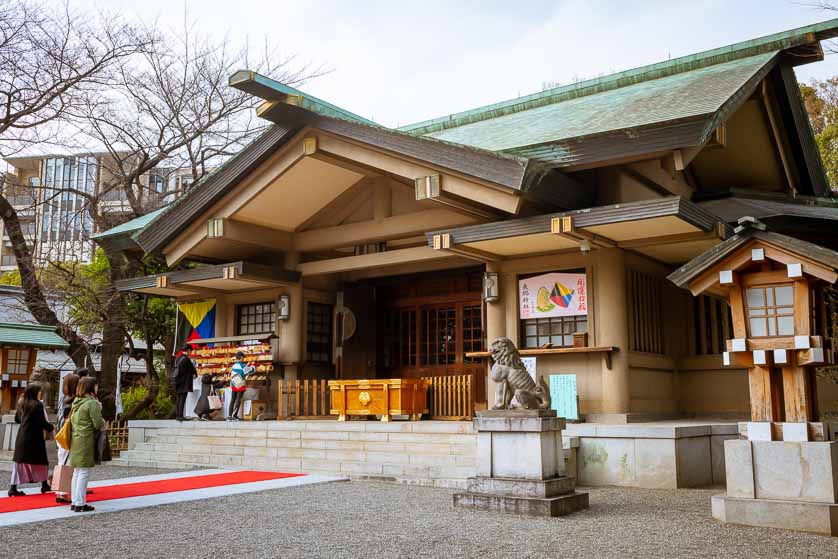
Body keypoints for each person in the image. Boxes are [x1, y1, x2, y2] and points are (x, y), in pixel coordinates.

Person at [8, 384, 54, 497]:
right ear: (34, 393)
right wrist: (50, 427)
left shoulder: (21, 403)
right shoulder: (37, 405)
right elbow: (41, 422)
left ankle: (13, 488)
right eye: (39, 392)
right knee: (41, 461)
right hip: (34, 438)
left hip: (22, 436)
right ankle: (44, 485)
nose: (40, 394)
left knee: (19, 462)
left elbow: (17, 419)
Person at [69, 377, 104, 513]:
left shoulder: (76, 402)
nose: (97, 388)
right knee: (84, 472)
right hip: (86, 439)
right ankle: (80, 503)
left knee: (77, 471)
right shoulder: (91, 403)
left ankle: (75, 501)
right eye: (95, 386)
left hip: (76, 438)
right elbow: (98, 423)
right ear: (91, 387)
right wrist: (100, 411)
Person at [54, 373, 80, 504]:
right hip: (67, 434)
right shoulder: (73, 401)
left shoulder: (63, 398)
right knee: (66, 463)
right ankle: (62, 492)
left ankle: (60, 491)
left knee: (62, 461)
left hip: (60, 433)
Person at [173, 345, 197, 421]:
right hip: (184, 382)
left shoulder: (177, 358)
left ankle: (178, 415)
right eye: (190, 351)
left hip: (177, 381)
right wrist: (195, 374)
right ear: (188, 350)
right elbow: (192, 369)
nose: (191, 353)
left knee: (178, 398)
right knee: (182, 399)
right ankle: (180, 416)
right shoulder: (186, 359)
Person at [227, 351, 253, 421]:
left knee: (232, 399)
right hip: (240, 384)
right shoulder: (242, 366)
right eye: (243, 358)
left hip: (233, 384)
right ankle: (234, 416)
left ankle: (230, 415)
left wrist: (246, 366)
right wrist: (252, 366)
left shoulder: (234, 365)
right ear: (241, 358)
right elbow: (251, 370)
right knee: (238, 400)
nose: (243, 359)